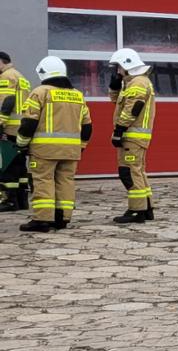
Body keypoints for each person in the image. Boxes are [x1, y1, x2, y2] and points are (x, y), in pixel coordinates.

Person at [17, 57, 92, 233]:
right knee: (65, 181)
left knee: (43, 181)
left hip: (44, 150)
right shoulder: (77, 95)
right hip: (71, 151)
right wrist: (80, 145)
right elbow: (88, 126)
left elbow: (28, 123)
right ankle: (62, 218)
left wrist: (21, 143)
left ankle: (42, 219)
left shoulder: (39, 92)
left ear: (43, 72)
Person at [109, 48, 157, 224]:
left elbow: (131, 110)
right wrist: (114, 87)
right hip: (135, 136)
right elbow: (118, 103)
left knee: (128, 172)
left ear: (126, 65)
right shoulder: (134, 82)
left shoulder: (137, 83)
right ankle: (146, 208)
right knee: (137, 171)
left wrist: (119, 131)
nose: (117, 71)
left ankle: (136, 210)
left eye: (118, 67)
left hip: (132, 136)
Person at [0, 52, 28, 212]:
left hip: (10, 127)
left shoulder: (6, 76)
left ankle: (8, 201)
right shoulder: (20, 76)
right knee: (19, 164)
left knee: (7, 164)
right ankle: (21, 201)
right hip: (21, 127)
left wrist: (1, 122)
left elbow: (8, 100)